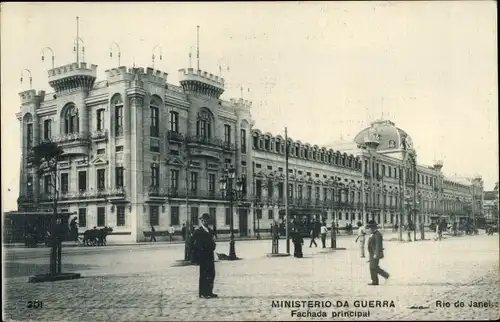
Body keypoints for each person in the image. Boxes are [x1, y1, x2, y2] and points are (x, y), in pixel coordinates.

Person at [192, 213, 217, 299]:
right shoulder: (198, 231)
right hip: (203, 257)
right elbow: (195, 245)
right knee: (203, 275)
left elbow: (213, 242)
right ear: (201, 221)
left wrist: (213, 246)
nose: (206, 221)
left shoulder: (210, 230)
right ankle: (202, 293)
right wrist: (199, 255)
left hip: (210, 256)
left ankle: (209, 292)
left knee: (211, 274)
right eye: (204, 220)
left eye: (207, 220)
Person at [366, 220, 389, 286]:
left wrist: (376, 254)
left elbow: (378, 245)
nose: (369, 229)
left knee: (374, 267)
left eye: (370, 228)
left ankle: (386, 275)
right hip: (372, 253)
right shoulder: (373, 234)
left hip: (375, 253)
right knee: (371, 267)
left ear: (373, 228)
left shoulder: (377, 234)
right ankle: (374, 281)